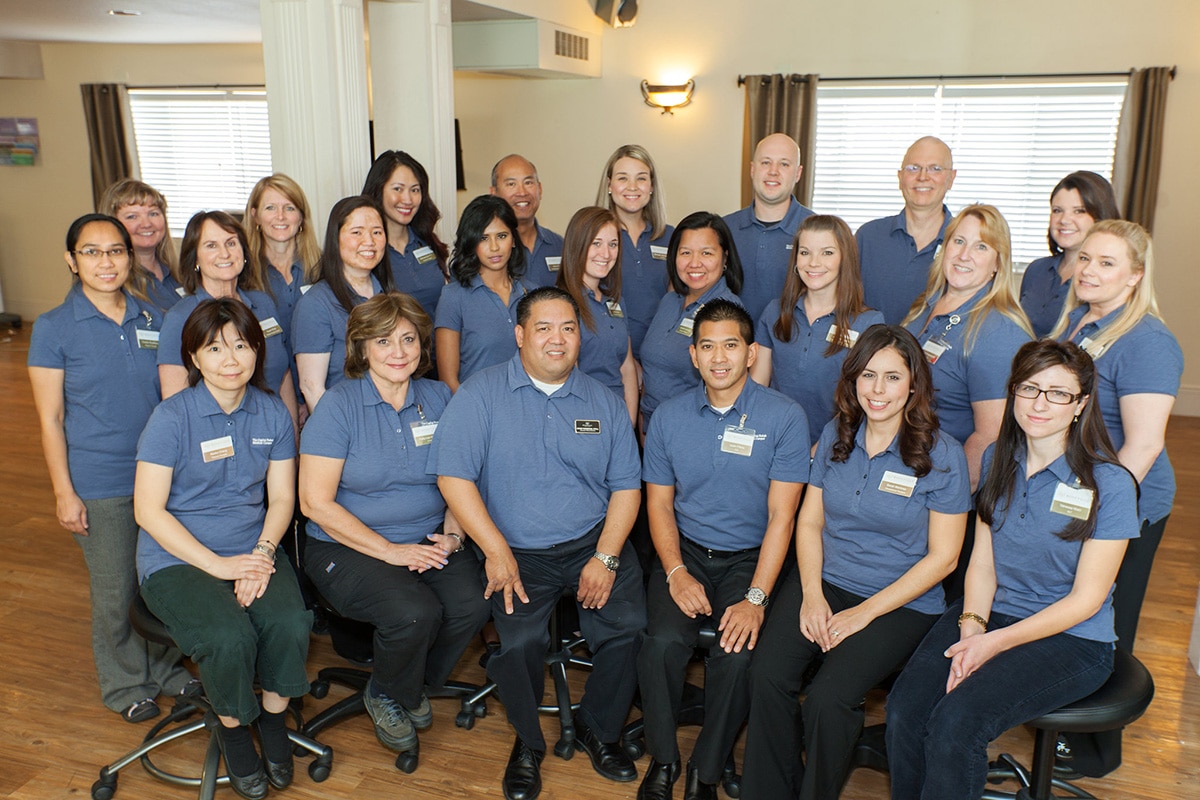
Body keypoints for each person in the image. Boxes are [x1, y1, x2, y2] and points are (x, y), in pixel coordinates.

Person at [885, 339, 1139, 800]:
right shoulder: (997, 456)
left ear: (1081, 403)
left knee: (956, 723)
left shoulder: (1111, 484)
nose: (1041, 403)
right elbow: (982, 564)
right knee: (906, 710)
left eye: (1059, 393)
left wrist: (990, 645)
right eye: (1030, 388)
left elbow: (1087, 600)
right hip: (991, 615)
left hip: (1072, 638)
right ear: (1013, 392)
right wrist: (970, 632)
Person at [430, 287, 646, 800]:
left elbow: (626, 488)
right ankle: (527, 743)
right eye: (544, 328)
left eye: (568, 328)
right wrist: (496, 550)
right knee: (521, 644)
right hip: (515, 547)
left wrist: (607, 556)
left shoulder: (603, 401)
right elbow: (453, 479)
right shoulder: (480, 395)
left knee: (630, 627)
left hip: (592, 540)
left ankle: (599, 727)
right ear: (520, 335)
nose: (557, 339)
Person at [742, 325, 970, 800]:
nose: (878, 390)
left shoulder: (942, 455)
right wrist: (810, 597)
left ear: (914, 384)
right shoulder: (835, 434)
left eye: (892, 377)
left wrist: (864, 614)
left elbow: (945, 558)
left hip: (899, 601)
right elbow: (809, 525)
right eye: (868, 376)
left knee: (828, 699)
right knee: (765, 673)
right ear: (853, 380)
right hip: (825, 582)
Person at [135, 298, 312, 799]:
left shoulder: (272, 411)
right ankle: (234, 733)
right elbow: (148, 511)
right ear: (193, 357)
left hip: (253, 548)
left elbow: (281, 498)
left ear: (257, 349)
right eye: (215, 347)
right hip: (176, 559)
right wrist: (218, 565)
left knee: (289, 622)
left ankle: (274, 724)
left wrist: (260, 555)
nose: (231, 358)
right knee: (228, 637)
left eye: (241, 344)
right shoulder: (172, 418)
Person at [299, 292, 488, 755]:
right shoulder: (338, 407)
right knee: (414, 612)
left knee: (471, 604)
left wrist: (453, 534)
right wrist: (390, 552)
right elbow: (313, 502)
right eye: (384, 341)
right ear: (362, 348)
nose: (399, 352)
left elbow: (457, 478)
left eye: (408, 339)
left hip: (428, 536)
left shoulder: (439, 397)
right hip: (346, 546)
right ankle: (386, 693)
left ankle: (405, 683)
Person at [638, 299, 809, 800]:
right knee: (662, 645)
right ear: (693, 355)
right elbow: (660, 506)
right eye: (707, 346)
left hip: (751, 560)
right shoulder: (668, 417)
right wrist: (674, 572)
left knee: (735, 656)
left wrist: (756, 599)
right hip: (684, 552)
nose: (719, 357)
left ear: (751, 353)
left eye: (730, 345)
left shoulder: (785, 417)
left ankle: (705, 770)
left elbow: (783, 517)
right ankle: (665, 761)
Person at [28, 213, 193, 724]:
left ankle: (166, 669)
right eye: (92, 252)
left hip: (161, 476)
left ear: (130, 256)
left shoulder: (152, 316)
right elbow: (51, 419)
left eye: (116, 250)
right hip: (99, 482)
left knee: (159, 579)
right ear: (71, 260)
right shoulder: (54, 327)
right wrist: (63, 492)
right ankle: (125, 683)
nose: (106, 261)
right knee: (115, 587)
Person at [1050, 220, 1181, 775]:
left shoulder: (1148, 341)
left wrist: (1098, 516)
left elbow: (1144, 446)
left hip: (1126, 505)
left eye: (1107, 263)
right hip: (1082, 493)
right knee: (1075, 613)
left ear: (1134, 277)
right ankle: (1060, 727)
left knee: (1106, 621)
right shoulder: (1084, 323)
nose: (1090, 270)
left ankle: (1094, 751)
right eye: (1085, 259)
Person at [903, 204, 1033, 491]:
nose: (964, 255)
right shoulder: (927, 305)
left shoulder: (998, 333)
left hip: (942, 485)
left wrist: (948, 498)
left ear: (998, 263)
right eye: (958, 241)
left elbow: (990, 436)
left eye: (981, 247)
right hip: (905, 469)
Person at [750, 214, 885, 446]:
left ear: (845, 259)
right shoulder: (775, 312)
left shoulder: (869, 323)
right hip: (774, 439)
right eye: (805, 252)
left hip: (835, 445)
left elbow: (863, 401)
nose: (814, 262)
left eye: (827, 252)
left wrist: (822, 447)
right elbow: (757, 387)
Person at [156, 211, 299, 427]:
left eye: (231, 243)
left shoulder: (264, 304)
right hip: (217, 441)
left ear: (243, 252)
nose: (225, 253)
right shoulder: (180, 317)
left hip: (274, 432)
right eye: (211, 245)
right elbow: (176, 403)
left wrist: (292, 438)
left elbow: (284, 376)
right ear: (195, 257)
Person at [639, 211, 744, 431]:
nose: (694, 263)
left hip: (693, 432)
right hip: (651, 427)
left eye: (706, 253)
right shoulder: (670, 301)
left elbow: (727, 393)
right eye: (685, 252)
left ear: (725, 257)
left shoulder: (727, 312)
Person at [291, 195, 395, 413]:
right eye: (357, 232)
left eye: (377, 232)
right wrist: (339, 436)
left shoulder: (389, 296)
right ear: (335, 238)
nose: (369, 241)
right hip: (345, 425)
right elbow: (312, 388)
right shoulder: (316, 303)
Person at [434, 194, 533, 393]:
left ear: (513, 240)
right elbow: (448, 381)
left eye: (502, 236)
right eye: (484, 238)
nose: (494, 247)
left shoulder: (533, 293)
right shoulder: (454, 297)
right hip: (476, 413)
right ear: (471, 243)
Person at [857, 137, 956, 325]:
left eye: (935, 168)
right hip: (870, 352)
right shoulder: (867, 237)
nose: (923, 177)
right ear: (900, 177)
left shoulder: (965, 245)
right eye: (913, 168)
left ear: (951, 178)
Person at [555, 205, 638, 425]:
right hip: (582, 420)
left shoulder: (616, 302)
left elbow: (627, 367)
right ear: (578, 245)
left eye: (613, 244)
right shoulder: (560, 304)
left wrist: (627, 423)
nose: (606, 254)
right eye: (596, 243)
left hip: (617, 417)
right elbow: (568, 376)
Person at [723, 132, 815, 321]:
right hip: (732, 345)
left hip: (790, 346)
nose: (773, 171)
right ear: (752, 169)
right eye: (766, 162)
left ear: (797, 173)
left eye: (784, 164)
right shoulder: (724, 229)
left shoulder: (818, 231)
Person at [1020, 171, 1121, 338]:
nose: (1064, 220)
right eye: (1057, 210)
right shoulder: (1036, 270)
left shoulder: (1104, 278)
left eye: (1079, 211)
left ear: (1100, 216)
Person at [596, 144, 675, 359]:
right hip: (609, 353)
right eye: (623, 178)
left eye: (641, 178)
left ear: (651, 186)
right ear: (609, 185)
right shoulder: (593, 238)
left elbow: (677, 301)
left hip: (660, 354)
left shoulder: (671, 237)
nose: (633, 186)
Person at [361, 150, 450, 319]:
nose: (408, 199)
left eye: (415, 190)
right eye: (398, 189)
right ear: (378, 190)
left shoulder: (426, 241)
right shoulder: (366, 250)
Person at [244, 173, 323, 348]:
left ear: (301, 217)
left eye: (289, 208)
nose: (280, 216)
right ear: (255, 216)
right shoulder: (241, 273)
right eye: (270, 208)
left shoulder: (323, 267)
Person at [100, 179, 183, 311]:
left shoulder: (180, 275)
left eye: (153, 213)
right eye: (132, 216)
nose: (146, 224)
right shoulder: (110, 285)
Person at [490, 154, 565, 288]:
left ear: (540, 189)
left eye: (528, 182)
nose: (522, 192)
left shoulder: (559, 245)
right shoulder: (486, 248)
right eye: (511, 184)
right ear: (493, 193)